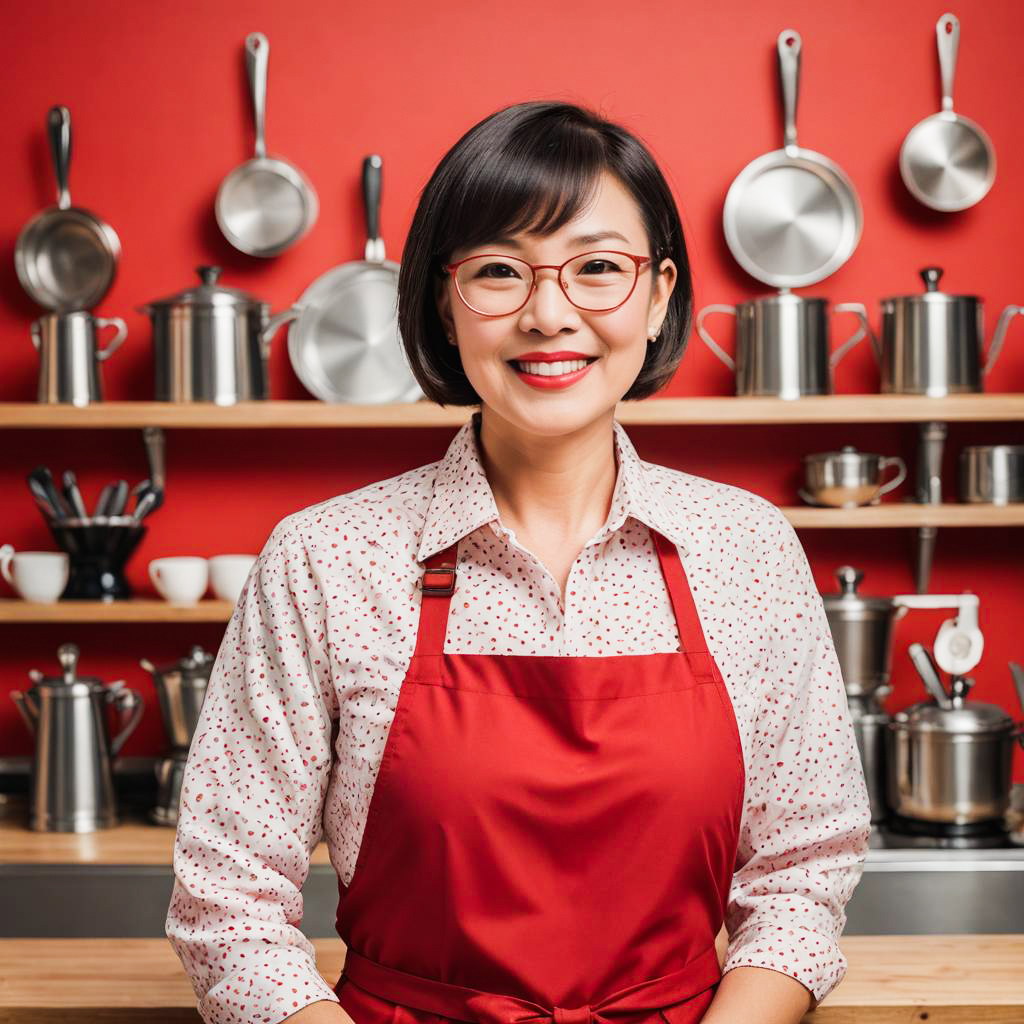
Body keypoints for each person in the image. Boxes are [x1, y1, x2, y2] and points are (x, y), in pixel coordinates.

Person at [166, 100, 872, 1024]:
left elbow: (799, 875)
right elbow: (230, 902)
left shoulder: (745, 547)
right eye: (500, 270)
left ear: (659, 297)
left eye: (598, 270)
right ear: (441, 300)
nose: (549, 314)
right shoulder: (325, 556)